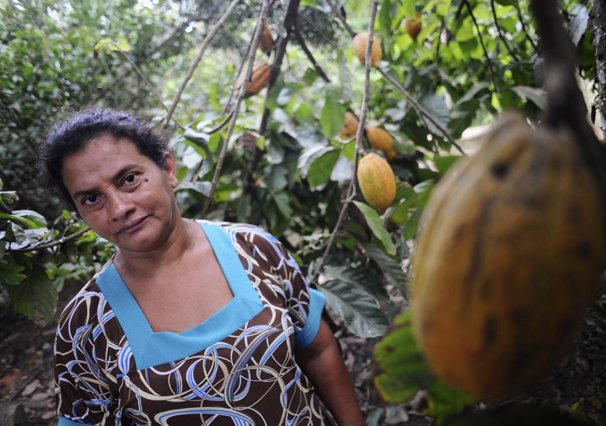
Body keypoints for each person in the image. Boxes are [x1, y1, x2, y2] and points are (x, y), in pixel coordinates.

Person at [41, 107, 365, 426]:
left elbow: (317, 349)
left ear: (168, 169)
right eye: (91, 199)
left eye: (129, 179)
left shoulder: (253, 249)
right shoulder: (85, 324)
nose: (119, 208)